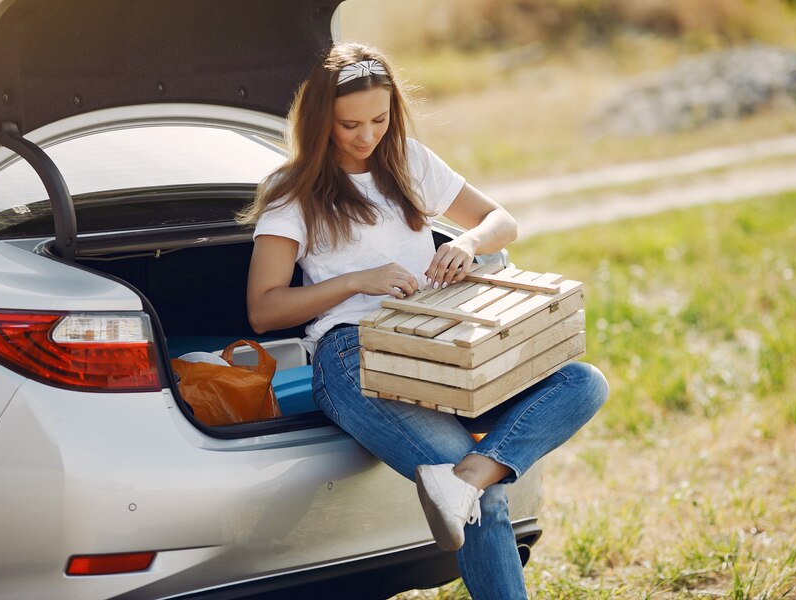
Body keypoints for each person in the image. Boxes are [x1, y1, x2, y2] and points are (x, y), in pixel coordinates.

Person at [238, 41, 608, 599]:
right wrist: (358, 280)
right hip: (354, 359)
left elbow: (499, 219)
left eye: (380, 120)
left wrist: (470, 244)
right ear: (319, 122)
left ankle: (460, 482)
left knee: (582, 382)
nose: (367, 136)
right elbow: (263, 309)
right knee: (489, 506)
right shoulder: (293, 194)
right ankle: (471, 486)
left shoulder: (407, 160)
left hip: (438, 348)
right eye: (349, 125)